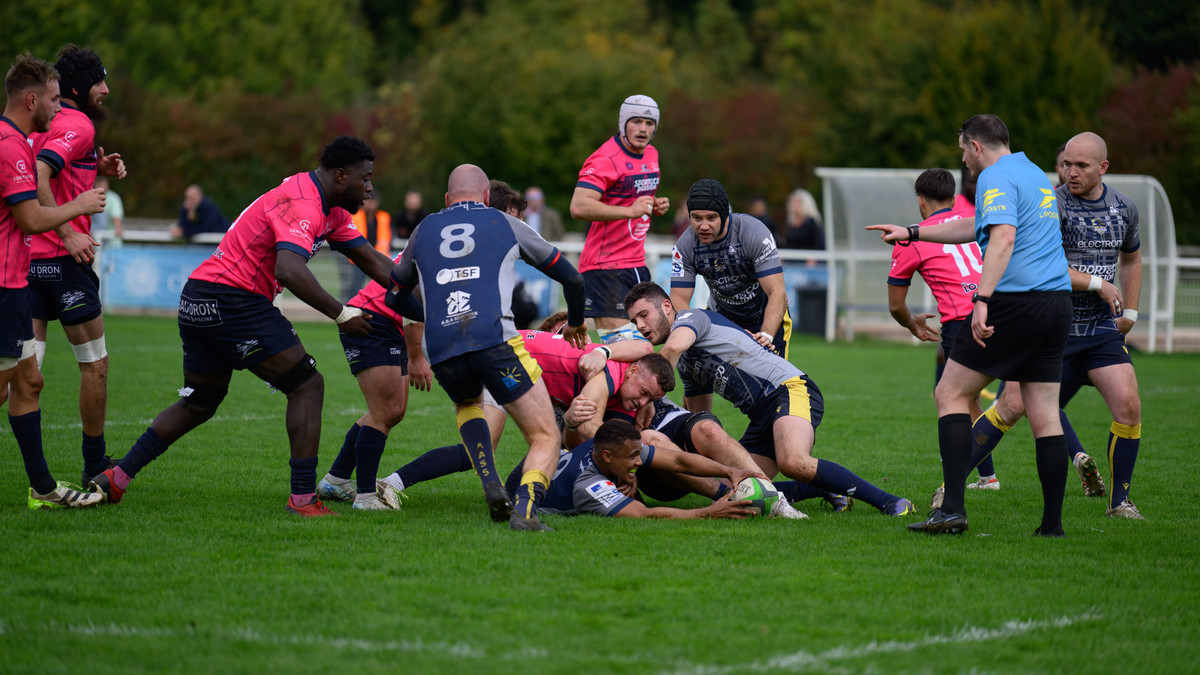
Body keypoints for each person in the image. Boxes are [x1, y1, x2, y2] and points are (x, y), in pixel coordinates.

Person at [88, 136, 404, 517]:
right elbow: (289, 269)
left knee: (199, 403)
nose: (369, 187)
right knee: (306, 385)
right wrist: (341, 313)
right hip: (233, 300)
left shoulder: (327, 204)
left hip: (198, 296)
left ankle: (117, 477)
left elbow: (372, 260)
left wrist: (424, 293)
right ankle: (303, 499)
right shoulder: (305, 203)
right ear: (341, 175)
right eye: (365, 178)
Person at [869, 114, 1074, 536]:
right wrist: (913, 232)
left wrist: (982, 299)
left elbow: (1002, 238)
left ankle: (952, 510)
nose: (962, 159)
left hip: (1017, 304)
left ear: (977, 146)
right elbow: (972, 227)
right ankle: (1052, 526)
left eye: (963, 150)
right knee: (1045, 416)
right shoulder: (1034, 173)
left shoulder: (995, 178)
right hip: (1057, 305)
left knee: (950, 393)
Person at [935, 132, 1144, 520]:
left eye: (1080, 166)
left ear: (1104, 168)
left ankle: (1120, 504)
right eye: (1066, 163)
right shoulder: (1050, 200)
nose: (1069, 172)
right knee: (1013, 406)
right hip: (1057, 323)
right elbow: (1045, 265)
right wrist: (1098, 283)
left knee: (1129, 407)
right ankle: (952, 486)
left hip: (1099, 329)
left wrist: (1130, 313)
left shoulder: (1123, 208)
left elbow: (1131, 259)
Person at [384, 164, 589, 531]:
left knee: (468, 404)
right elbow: (571, 277)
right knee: (545, 435)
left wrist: (430, 317)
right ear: (484, 197)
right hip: (496, 341)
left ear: (447, 199)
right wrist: (575, 320)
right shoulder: (503, 222)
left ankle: (490, 480)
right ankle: (525, 512)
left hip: (442, 348)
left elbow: (394, 293)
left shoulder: (424, 227)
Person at [624, 281, 916, 517]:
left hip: (790, 389)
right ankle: (825, 489)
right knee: (740, 489)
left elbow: (672, 348)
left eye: (643, 315)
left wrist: (648, 395)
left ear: (665, 306)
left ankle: (890, 501)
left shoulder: (690, 319)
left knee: (794, 461)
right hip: (762, 415)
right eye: (634, 320)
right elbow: (698, 418)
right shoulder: (685, 366)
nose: (640, 325)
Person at [1, 52, 106, 508]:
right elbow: (29, 217)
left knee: (29, 383)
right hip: (11, 284)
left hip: (20, 281)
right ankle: (87, 467)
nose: (56, 109)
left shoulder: (16, 140)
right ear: (31, 99)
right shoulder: (13, 146)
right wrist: (77, 214)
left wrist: (94, 169)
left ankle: (43, 489)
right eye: (52, 99)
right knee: (16, 384)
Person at [28, 44, 126, 486]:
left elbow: (43, 166)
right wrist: (68, 234)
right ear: (78, 88)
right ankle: (94, 464)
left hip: (22, 263)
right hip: (64, 261)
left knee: (21, 373)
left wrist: (92, 167)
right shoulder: (78, 123)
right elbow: (41, 174)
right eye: (99, 82)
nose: (105, 90)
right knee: (95, 364)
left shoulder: (35, 123)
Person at [883, 169, 998, 493]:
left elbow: (895, 305)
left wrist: (911, 323)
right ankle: (988, 477)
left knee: (951, 399)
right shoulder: (976, 222)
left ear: (920, 203)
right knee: (1035, 400)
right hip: (1001, 311)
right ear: (953, 197)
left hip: (963, 324)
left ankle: (953, 488)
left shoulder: (912, 238)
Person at [316, 248, 432, 510]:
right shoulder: (449, 248)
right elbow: (415, 302)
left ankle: (336, 479)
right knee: (386, 410)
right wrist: (417, 358)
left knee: (393, 411)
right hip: (373, 321)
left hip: (389, 324)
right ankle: (366, 497)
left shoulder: (449, 239)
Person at [506, 419, 757, 520]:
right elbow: (643, 514)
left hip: (546, 465)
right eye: (632, 457)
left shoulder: (606, 447)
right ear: (607, 456)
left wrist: (728, 470)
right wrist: (707, 512)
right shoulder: (588, 485)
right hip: (518, 486)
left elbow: (679, 461)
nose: (639, 462)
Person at [569, 94, 669, 343]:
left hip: (636, 263)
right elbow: (578, 206)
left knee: (650, 342)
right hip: (605, 268)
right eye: (636, 122)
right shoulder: (605, 158)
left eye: (649, 124)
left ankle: (574, 327)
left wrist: (652, 205)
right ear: (623, 122)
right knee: (623, 347)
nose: (643, 129)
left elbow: (632, 199)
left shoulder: (652, 155)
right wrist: (630, 211)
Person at [669, 179, 792, 359]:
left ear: (725, 215)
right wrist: (692, 329)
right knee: (719, 380)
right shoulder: (685, 246)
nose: (703, 226)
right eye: (696, 218)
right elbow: (679, 297)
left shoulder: (754, 233)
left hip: (765, 316)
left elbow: (777, 291)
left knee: (773, 384)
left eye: (711, 218)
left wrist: (766, 334)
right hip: (722, 318)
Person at [340, 192, 391, 301]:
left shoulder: (384, 217)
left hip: (378, 260)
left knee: (380, 291)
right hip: (358, 260)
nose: (371, 203)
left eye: (373, 201)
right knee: (354, 289)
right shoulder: (355, 216)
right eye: (369, 200)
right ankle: (350, 311)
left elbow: (387, 238)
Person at [782, 188, 825, 255]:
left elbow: (819, 244)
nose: (794, 205)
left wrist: (813, 258)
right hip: (791, 261)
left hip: (808, 262)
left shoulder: (812, 223)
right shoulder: (790, 223)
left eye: (796, 203)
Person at [91, 176, 123, 240]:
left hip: (111, 240)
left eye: (103, 185)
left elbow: (116, 215)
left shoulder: (113, 198)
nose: (101, 187)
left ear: (107, 185)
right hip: (94, 239)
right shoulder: (90, 197)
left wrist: (118, 228)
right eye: (99, 185)